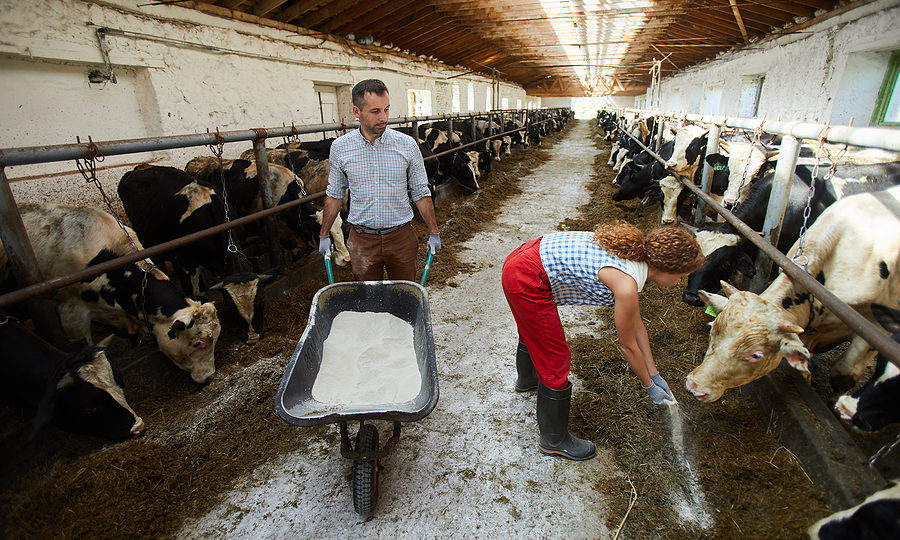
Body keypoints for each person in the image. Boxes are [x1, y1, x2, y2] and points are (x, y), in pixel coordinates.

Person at [501, 221, 705, 460]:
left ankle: (527, 381)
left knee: (533, 333)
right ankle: (554, 440)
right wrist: (647, 386)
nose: (679, 282)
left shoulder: (635, 256)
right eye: (681, 276)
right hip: (526, 277)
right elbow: (628, 346)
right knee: (556, 358)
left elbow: (638, 326)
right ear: (667, 268)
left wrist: (654, 373)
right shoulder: (626, 283)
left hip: (524, 258)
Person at [318, 79, 441, 282]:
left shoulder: (407, 145)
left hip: (401, 237)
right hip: (362, 240)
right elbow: (335, 194)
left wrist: (433, 231)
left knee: (404, 296)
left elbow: (420, 191)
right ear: (357, 112)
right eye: (375, 111)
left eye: (386, 109)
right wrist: (324, 234)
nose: (383, 117)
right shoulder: (340, 148)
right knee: (367, 300)